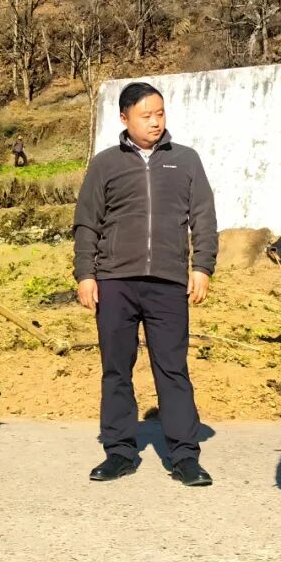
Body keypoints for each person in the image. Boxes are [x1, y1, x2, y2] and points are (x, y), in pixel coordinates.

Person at [73, 82, 218, 487]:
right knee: (116, 369)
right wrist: (85, 274)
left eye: (160, 113)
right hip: (115, 281)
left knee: (172, 369)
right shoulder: (105, 164)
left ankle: (185, 456)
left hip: (169, 282)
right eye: (146, 115)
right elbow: (87, 222)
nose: (155, 122)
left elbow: (203, 217)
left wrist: (202, 267)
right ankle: (119, 452)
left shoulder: (185, 160)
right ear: (124, 118)